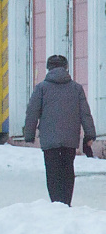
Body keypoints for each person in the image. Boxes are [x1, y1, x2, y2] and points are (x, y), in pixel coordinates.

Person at [23, 55, 96, 206]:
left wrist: (29, 134)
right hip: (70, 138)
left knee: (52, 171)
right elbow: (85, 113)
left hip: (49, 140)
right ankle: (66, 202)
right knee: (68, 170)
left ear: (48, 68)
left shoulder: (41, 88)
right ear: (66, 67)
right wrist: (90, 133)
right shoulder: (76, 88)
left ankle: (56, 203)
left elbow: (32, 112)